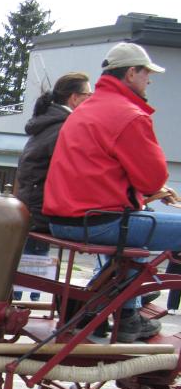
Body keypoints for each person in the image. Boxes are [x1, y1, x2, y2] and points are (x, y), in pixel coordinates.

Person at [44, 42, 172, 343]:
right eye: (146, 73)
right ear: (131, 73)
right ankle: (128, 309)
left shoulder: (85, 110)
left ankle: (122, 308)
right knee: (146, 226)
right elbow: (153, 179)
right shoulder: (129, 115)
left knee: (140, 227)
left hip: (64, 219)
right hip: (99, 222)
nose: (150, 80)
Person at [13, 72, 92, 301]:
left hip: (33, 208)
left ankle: (23, 297)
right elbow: (74, 174)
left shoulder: (48, 123)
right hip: (44, 212)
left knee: (29, 263)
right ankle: (118, 288)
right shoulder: (65, 127)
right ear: (74, 98)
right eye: (88, 95)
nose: (91, 100)